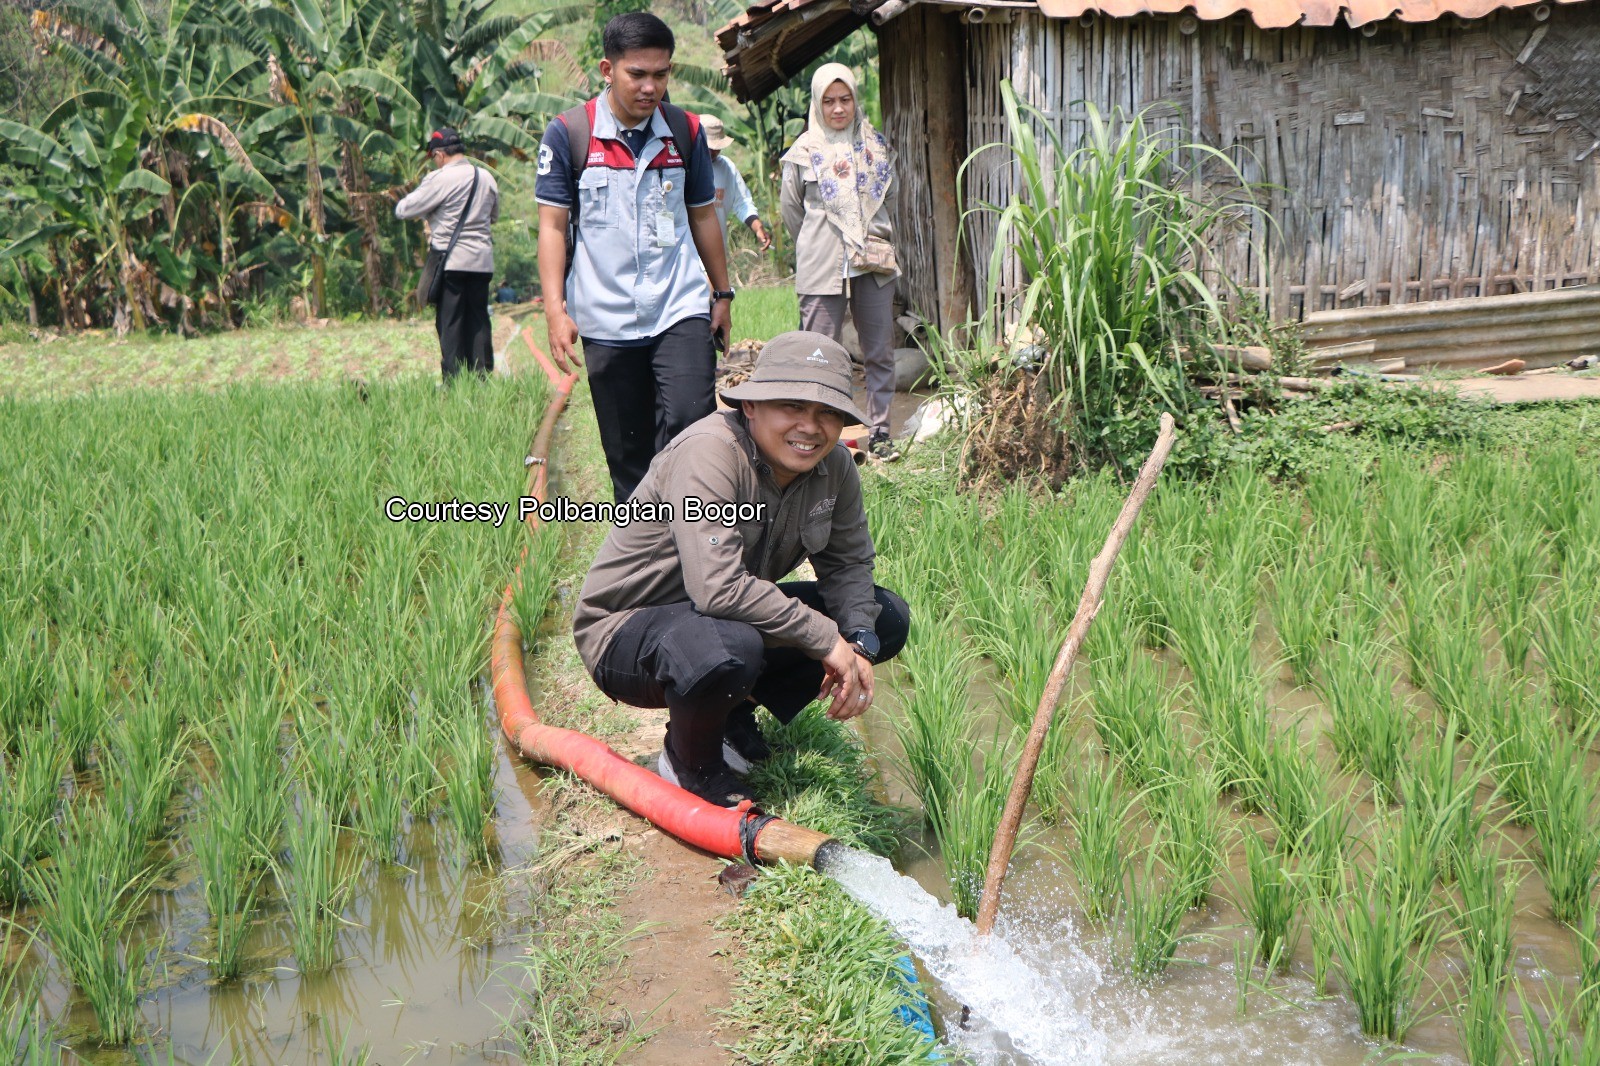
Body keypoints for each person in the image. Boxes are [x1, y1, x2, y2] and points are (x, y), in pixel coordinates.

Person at [572, 331, 910, 807]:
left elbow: (849, 563)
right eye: (792, 406)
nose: (810, 427)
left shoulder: (834, 468)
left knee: (885, 616)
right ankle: (690, 762)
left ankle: (729, 714)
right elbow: (716, 587)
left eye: (828, 412)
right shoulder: (709, 451)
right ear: (751, 406)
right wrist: (824, 638)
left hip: (718, 618)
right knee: (730, 646)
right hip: (627, 629)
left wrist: (857, 641)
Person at [536, 12, 736, 502]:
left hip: (678, 303)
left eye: (661, 74)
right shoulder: (569, 134)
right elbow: (552, 226)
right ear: (608, 69)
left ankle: (693, 531)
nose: (650, 87)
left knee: (693, 421)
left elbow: (703, 216)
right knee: (627, 454)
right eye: (637, 74)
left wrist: (723, 292)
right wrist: (555, 310)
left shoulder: (685, 132)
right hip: (606, 316)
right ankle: (646, 549)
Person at [781, 63, 902, 463]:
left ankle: (880, 430)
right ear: (817, 103)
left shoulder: (876, 149)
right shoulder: (802, 153)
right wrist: (824, 241)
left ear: (855, 100)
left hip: (872, 260)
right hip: (820, 263)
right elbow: (793, 213)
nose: (837, 108)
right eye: (829, 101)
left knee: (879, 349)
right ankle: (825, 437)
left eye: (845, 99)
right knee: (819, 353)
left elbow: (892, 199)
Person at [395, 127, 501, 379]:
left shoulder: (441, 179)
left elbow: (404, 209)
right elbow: (493, 216)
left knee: (450, 322)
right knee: (478, 320)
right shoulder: (485, 177)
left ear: (440, 154)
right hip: (482, 262)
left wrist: (431, 212)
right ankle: (482, 378)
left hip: (452, 263)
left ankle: (454, 381)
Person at [702, 115, 771, 252]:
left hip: (717, 252)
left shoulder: (726, 167)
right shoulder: (684, 168)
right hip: (687, 256)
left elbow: (742, 202)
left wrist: (757, 227)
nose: (715, 151)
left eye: (718, 147)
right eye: (711, 147)